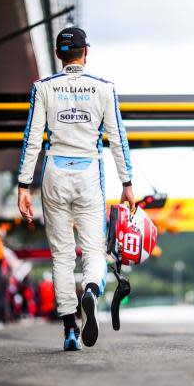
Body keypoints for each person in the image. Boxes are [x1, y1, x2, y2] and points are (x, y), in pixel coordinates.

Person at [17, 27, 134, 351]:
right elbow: (117, 138)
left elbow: (31, 139)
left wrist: (23, 186)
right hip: (88, 172)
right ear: (86, 52)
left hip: (54, 169)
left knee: (62, 256)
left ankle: (70, 330)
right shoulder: (104, 89)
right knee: (94, 250)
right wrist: (127, 184)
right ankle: (92, 291)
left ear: (58, 55)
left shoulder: (43, 88)